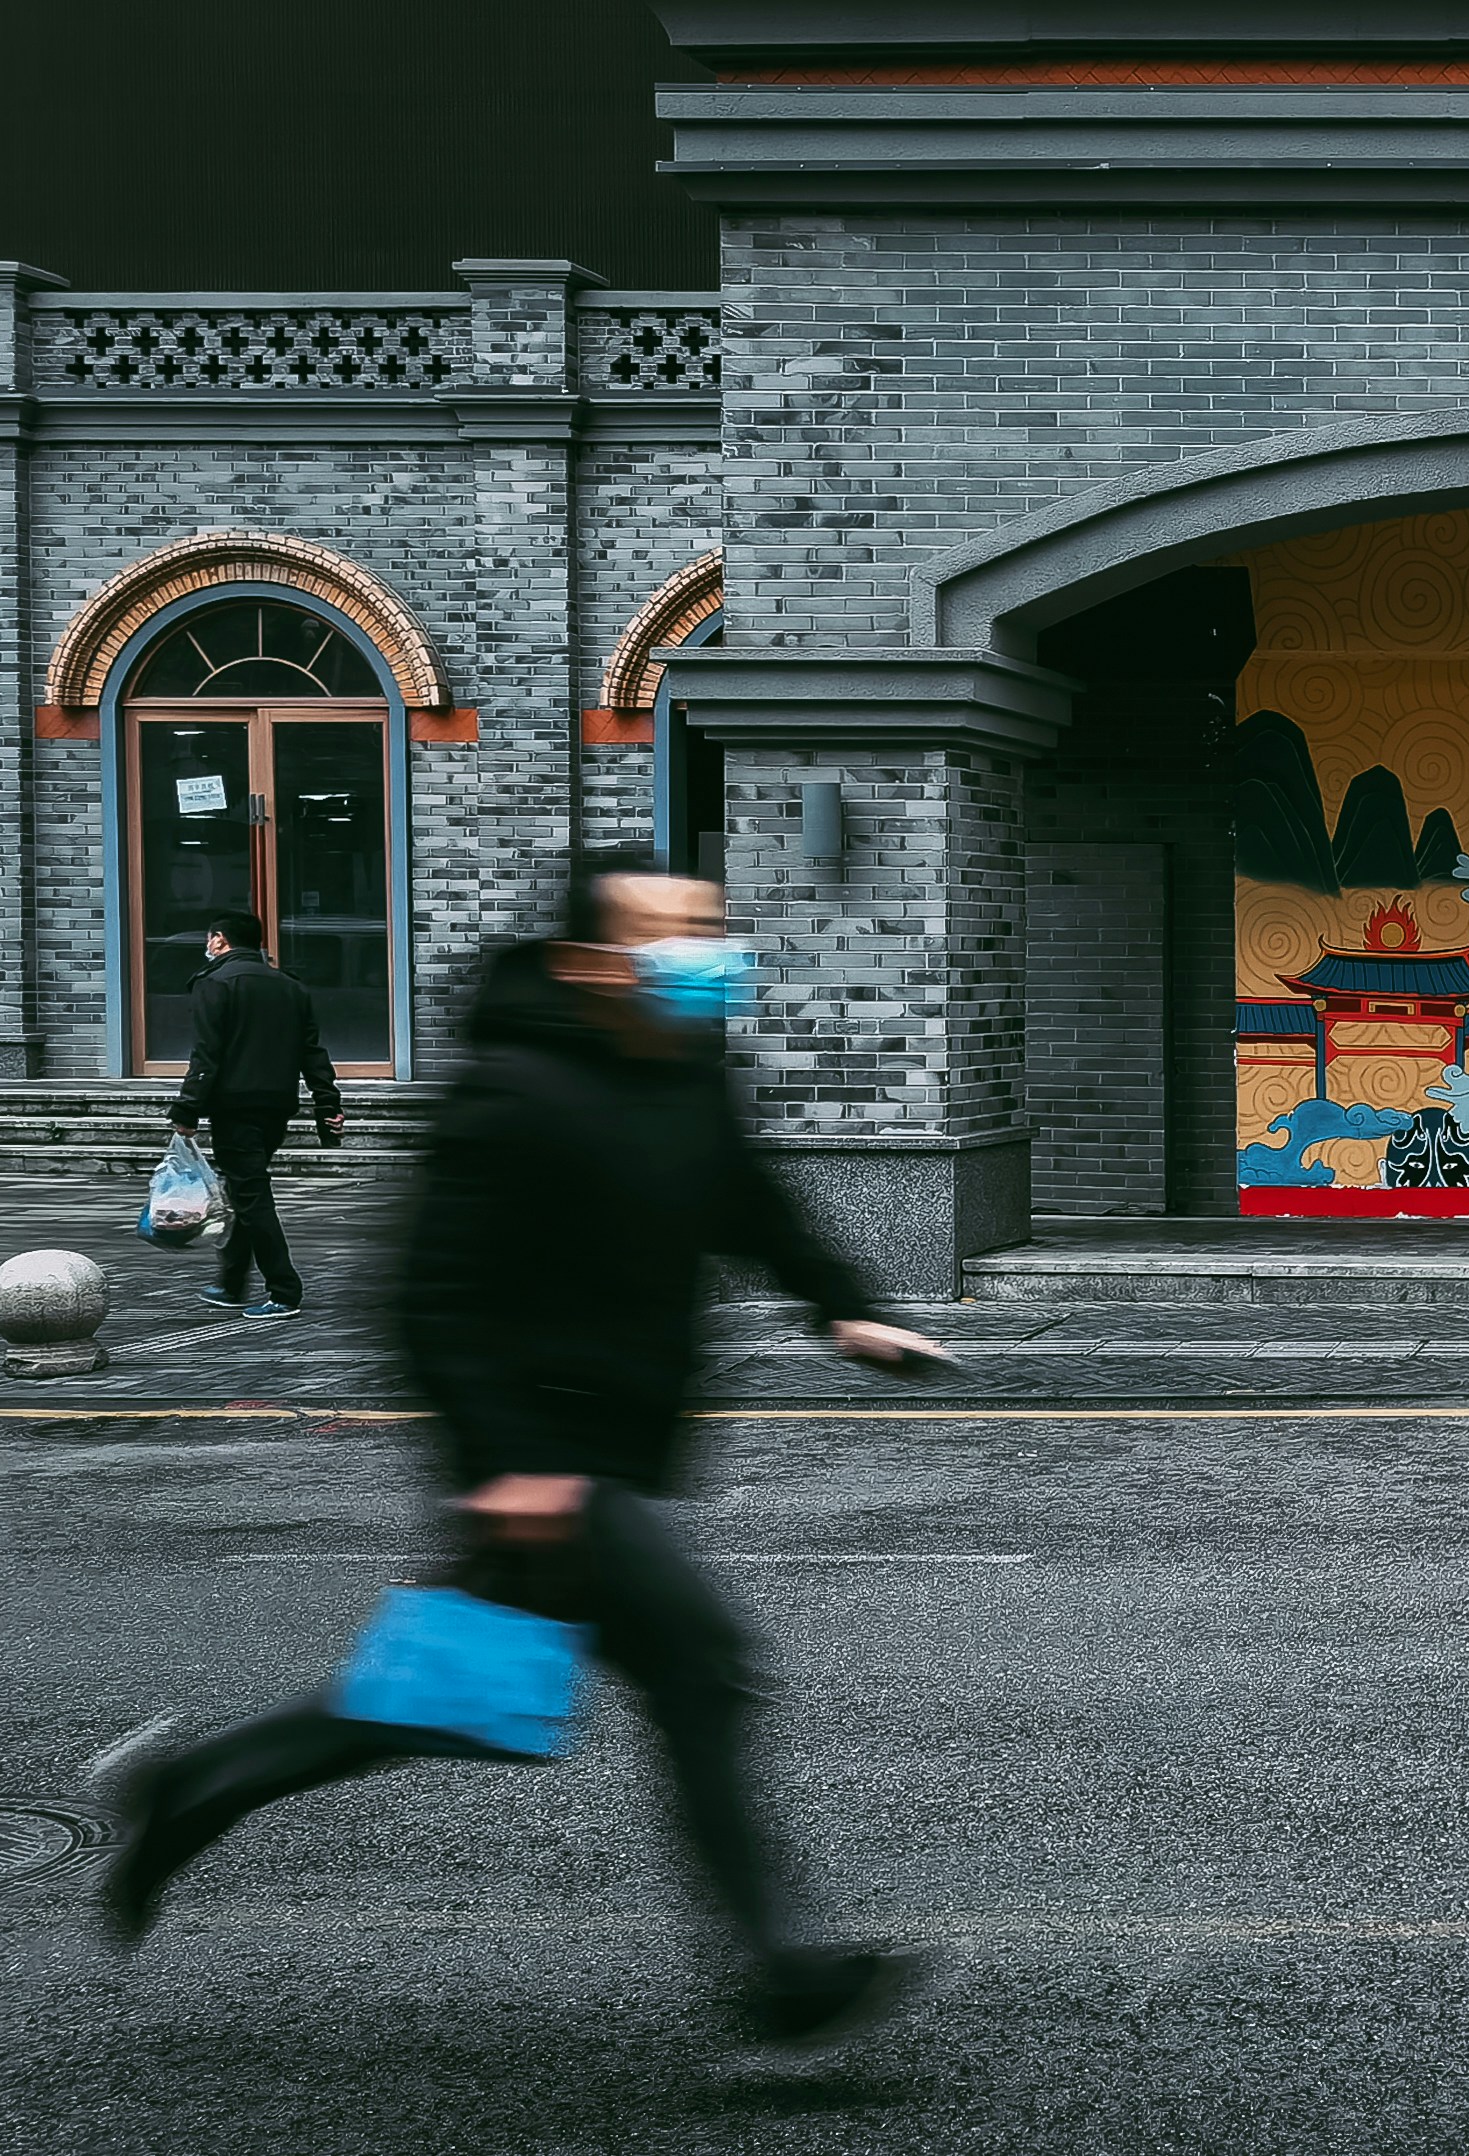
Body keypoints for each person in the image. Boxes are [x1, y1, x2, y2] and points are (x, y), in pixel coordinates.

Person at [99, 849, 949, 2046]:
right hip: (551, 1457)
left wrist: (843, 1305)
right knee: (697, 1668)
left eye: (708, 927)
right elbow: (427, 1297)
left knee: (440, 1701)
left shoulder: (686, 1069)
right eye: (673, 934)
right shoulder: (517, 1087)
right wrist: (508, 1460)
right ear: (592, 961)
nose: (705, 951)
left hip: (599, 1453)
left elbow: (749, 1202)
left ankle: (187, 1789)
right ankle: (780, 1974)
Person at [168, 910, 345, 1320]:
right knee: (247, 1192)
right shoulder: (289, 986)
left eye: (210, 938)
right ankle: (231, 1283)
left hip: (235, 1106)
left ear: (219, 940)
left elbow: (207, 1053)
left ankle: (284, 1290)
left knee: (252, 1196)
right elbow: (312, 1052)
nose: (208, 945)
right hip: (276, 1105)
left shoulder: (215, 983)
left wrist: (187, 1107)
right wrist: (327, 1104)